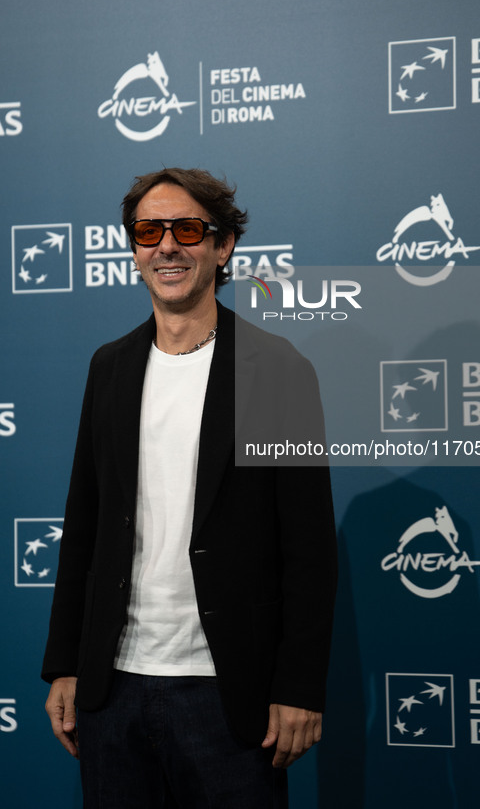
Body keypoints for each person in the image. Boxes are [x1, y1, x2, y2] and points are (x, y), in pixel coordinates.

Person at [42, 168, 337, 808]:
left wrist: (300, 687)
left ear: (222, 246)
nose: (166, 246)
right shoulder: (110, 366)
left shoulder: (276, 368)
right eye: (149, 231)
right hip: (112, 691)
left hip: (228, 697)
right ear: (133, 248)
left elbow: (309, 548)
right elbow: (84, 525)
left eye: (186, 230)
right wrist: (64, 662)